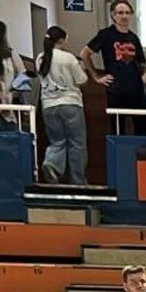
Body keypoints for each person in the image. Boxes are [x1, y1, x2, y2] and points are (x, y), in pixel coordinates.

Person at [82, 0, 146, 134]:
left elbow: (142, 61)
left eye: (127, 13)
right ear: (113, 15)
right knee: (118, 130)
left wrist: (145, 73)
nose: (124, 16)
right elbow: (84, 54)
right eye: (120, 13)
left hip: (136, 90)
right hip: (116, 90)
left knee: (142, 128)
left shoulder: (134, 38)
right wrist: (96, 76)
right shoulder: (106, 35)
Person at [38, 25, 88, 185]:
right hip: (70, 103)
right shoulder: (68, 58)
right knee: (77, 143)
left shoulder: (40, 58)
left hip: (48, 105)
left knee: (57, 141)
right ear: (61, 40)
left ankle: (51, 163)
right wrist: (83, 68)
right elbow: (82, 80)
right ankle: (78, 181)